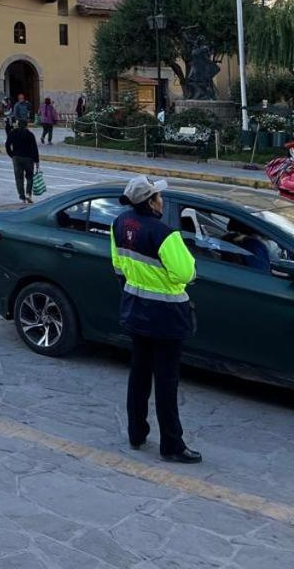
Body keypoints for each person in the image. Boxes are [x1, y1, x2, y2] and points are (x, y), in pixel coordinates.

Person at [111, 176, 201, 463]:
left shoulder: (120, 223)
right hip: (166, 316)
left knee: (139, 375)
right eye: (158, 196)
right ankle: (172, 445)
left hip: (136, 309)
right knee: (166, 382)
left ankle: (136, 433)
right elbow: (186, 274)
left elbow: (118, 265)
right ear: (150, 202)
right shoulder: (165, 234)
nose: (162, 199)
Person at [5, 118, 39, 202]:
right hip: (28, 158)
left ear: (18, 124)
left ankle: (22, 196)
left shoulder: (13, 133)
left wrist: (11, 155)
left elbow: (7, 145)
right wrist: (37, 160)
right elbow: (34, 148)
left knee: (19, 178)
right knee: (30, 177)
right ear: (26, 125)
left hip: (17, 158)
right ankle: (28, 194)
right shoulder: (30, 134)